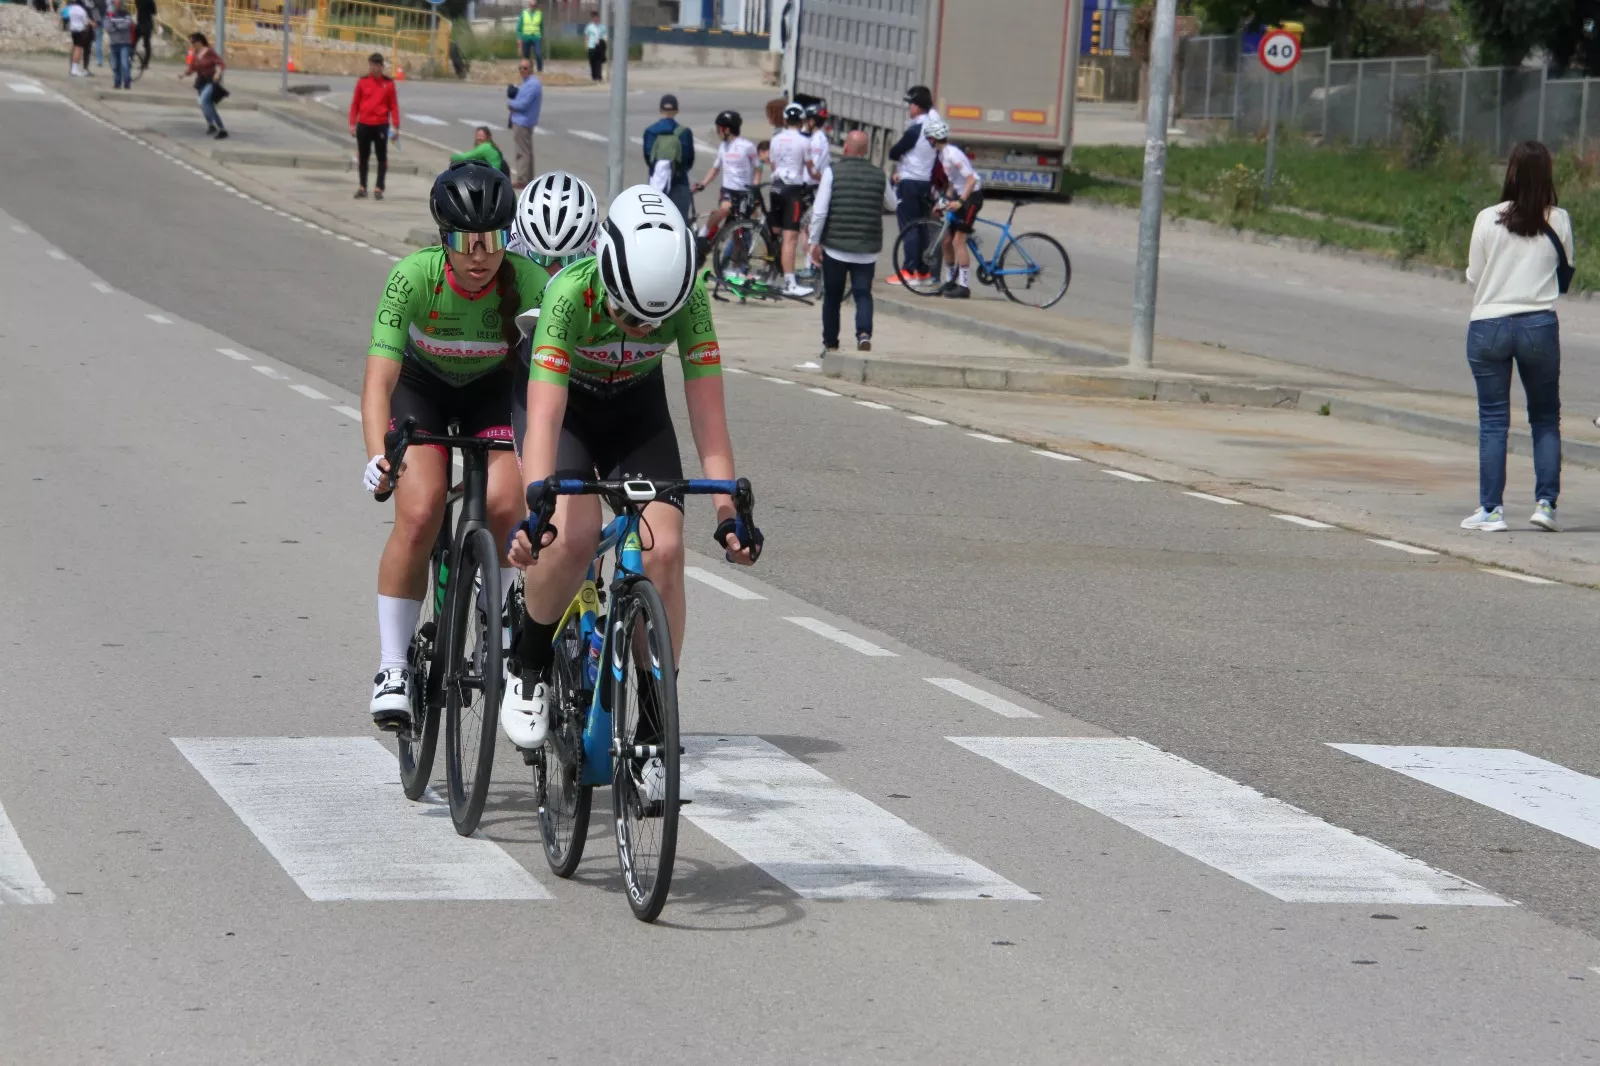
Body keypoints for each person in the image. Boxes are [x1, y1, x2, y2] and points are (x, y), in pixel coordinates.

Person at [499, 185, 758, 756]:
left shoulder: (691, 301)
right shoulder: (568, 294)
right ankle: (529, 661)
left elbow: (708, 416)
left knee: (665, 551)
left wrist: (727, 514)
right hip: (564, 406)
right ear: (606, 279)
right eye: (625, 314)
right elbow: (542, 420)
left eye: (652, 322)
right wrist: (537, 508)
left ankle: (651, 721)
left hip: (635, 409)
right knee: (572, 534)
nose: (640, 330)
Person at [362, 162, 551, 729]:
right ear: (442, 239)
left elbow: (548, 379)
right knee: (419, 511)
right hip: (424, 392)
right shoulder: (412, 277)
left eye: (491, 240)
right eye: (465, 242)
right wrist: (378, 455)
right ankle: (393, 667)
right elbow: (379, 380)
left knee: (504, 503)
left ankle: (488, 602)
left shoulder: (531, 280)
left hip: (494, 394)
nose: (479, 255)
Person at [1461, 140, 1572, 534]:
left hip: (1489, 323)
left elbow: (1474, 275)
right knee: (1544, 417)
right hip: (1538, 324)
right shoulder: (1558, 220)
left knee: (1493, 420)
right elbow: (1565, 272)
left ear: (1509, 172)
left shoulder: (1486, 218)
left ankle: (1491, 510)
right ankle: (1545, 504)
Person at [809, 130, 896, 355]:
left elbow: (819, 212)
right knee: (863, 293)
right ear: (866, 150)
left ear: (846, 147)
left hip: (836, 248)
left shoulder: (832, 172)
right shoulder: (879, 174)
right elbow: (893, 204)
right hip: (867, 248)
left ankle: (831, 343)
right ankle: (864, 335)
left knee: (833, 296)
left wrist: (813, 241)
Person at [883, 85, 942, 285]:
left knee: (909, 227)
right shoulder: (935, 125)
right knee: (923, 227)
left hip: (909, 182)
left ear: (917, 107)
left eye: (911, 105)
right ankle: (924, 272)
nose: (909, 109)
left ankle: (909, 271)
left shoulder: (916, 128)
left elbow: (894, 151)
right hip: (926, 182)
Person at [923, 119, 982, 299]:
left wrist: (961, 202)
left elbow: (970, 180)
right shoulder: (942, 155)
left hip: (972, 196)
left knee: (958, 241)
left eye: (928, 138)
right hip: (960, 195)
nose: (927, 141)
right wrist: (943, 201)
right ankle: (950, 280)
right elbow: (951, 183)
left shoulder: (953, 154)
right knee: (946, 239)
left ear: (934, 139)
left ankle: (964, 286)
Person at [507, 169, 599, 273]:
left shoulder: (599, 249)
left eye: (569, 260)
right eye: (542, 258)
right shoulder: (511, 243)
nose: (556, 272)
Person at [767, 102, 814, 297]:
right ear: (801, 121)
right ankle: (790, 283)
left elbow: (772, 165)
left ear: (785, 120)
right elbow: (810, 169)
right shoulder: (804, 141)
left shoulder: (776, 139)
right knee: (790, 238)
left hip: (776, 186)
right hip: (792, 190)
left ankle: (769, 275)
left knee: (775, 233)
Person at [693, 109, 758, 245]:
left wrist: (755, 186)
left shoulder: (747, 146)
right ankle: (703, 234)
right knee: (725, 209)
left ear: (727, 129)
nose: (717, 132)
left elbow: (759, 167)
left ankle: (737, 261)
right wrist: (703, 184)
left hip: (744, 191)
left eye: (719, 129)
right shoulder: (723, 146)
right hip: (728, 190)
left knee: (737, 230)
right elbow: (715, 168)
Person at [349, 53, 400, 201]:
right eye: (372, 64)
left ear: (382, 66)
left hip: (381, 125)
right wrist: (352, 123)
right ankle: (362, 187)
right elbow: (355, 105)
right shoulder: (362, 82)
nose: (374, 68)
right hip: (364, 124)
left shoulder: (388, 84)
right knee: (363, 157)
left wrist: (396, 126)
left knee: (381, 157)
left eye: (377, 65)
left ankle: (379, 187)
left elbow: (393, 106)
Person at [642, 93, 696, 224]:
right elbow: (689, 160)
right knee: (679, 224)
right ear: (676, 111)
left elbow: (648, 158)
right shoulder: (684, 132)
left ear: (660, 110)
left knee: (655, 223)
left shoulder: (650, 131)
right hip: (679, 183)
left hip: (656, 184)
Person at [797, 98, 831, 277]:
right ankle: (811, 264)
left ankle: (812, 265)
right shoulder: (817, 138)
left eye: (805, 121)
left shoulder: (818, 140)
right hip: (812, 188)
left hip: (813, 189)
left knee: (809, 229)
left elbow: (813, 171)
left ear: (811, 121)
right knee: (807, 228)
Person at [179, 32, 226, 139]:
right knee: (206, 105)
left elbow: (220, 63)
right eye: (191, 42)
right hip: (201, 82)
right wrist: (183, 74)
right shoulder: (196, 54)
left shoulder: (209, 52)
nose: (192, 44)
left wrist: (218, 73)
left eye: (193, 42)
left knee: (203, 101)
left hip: (211, 81)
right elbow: (192, 68)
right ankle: (212, 125)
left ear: (200, 42)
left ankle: (221, 128)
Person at [507, 58, 542, 191]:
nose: (522, 71)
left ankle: (523, 179)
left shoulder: (532, 84)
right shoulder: (527, 83)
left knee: (522, 152)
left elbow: (523, 103)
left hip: (523, 121)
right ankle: (528, 178)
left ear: (531, 69)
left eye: (525, 68)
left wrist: (510, 104)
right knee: (526, 151)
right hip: (522, 120)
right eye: (520, 68)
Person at [104, 0, 133, 89]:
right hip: (114, 43)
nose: (117, 3)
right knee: (115, 65)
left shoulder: (126, 13)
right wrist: (117, 26)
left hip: (124, 43)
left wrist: (116, 26)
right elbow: (107, 26)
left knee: (124, 64)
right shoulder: (109, 14)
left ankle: (127, 83)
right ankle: (117, 83)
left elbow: (127, 24)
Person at [64, 0, 94, 77]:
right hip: (80, 30)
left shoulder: (71, 9)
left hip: (73, 30)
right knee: (78, 49)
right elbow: (85, 22)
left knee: (75, 48)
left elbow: (67, 17)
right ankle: (75, 69)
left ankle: (74, 68)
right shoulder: (82, 11)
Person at [516, 0, 544, 71]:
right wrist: (519, 39)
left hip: (536, 37)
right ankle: (529, 71)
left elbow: (541, 27)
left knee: (538, 54)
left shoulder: (539, 13)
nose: (532, 7)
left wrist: (541, 37)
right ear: (529, 5)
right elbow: (519, 29)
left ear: (536, 5)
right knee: (526, 57)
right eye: (531, 5)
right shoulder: (524, 13)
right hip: (526, 37)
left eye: (534, 5)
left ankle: (540, 70)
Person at [131, 0, 154, 73]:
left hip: (141, 24)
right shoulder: (150, 1)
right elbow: (154, 12)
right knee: (146, 45)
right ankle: (145, 63)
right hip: (147, 24)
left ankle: (130, 57)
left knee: (133, 42)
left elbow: (138, 7)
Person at [584, 9, 607, 82]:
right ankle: (594, 76)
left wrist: (604, 46)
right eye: (594, 17)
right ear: (592, 18)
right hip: (591, 45)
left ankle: (599, 77)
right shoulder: (589, 27)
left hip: (600, 45)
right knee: (592, 61)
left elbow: (605, 36)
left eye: (596, 17)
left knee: (599, 61)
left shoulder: (602, 27)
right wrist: (586, 45)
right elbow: (586, 36)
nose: (595, 19)